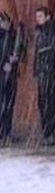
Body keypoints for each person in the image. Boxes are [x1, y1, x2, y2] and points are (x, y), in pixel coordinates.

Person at [34, 7, 55, 146]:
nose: (37, 19)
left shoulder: (50, 32)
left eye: (40, 16)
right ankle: (51, 131)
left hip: (48, 73)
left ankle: (49, 132)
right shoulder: (41, 32)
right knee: (45, 103)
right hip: (43, 72)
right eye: (37, 16)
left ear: (47, 17)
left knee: (47, 104)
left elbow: (53, 52)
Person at [0, 15, 26, 145]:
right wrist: (3, 63)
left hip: (10, 74)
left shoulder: (11, 36)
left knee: (8, 105)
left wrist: (14, 59)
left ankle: (6, 132)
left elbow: (18, 50)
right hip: (3, 74)